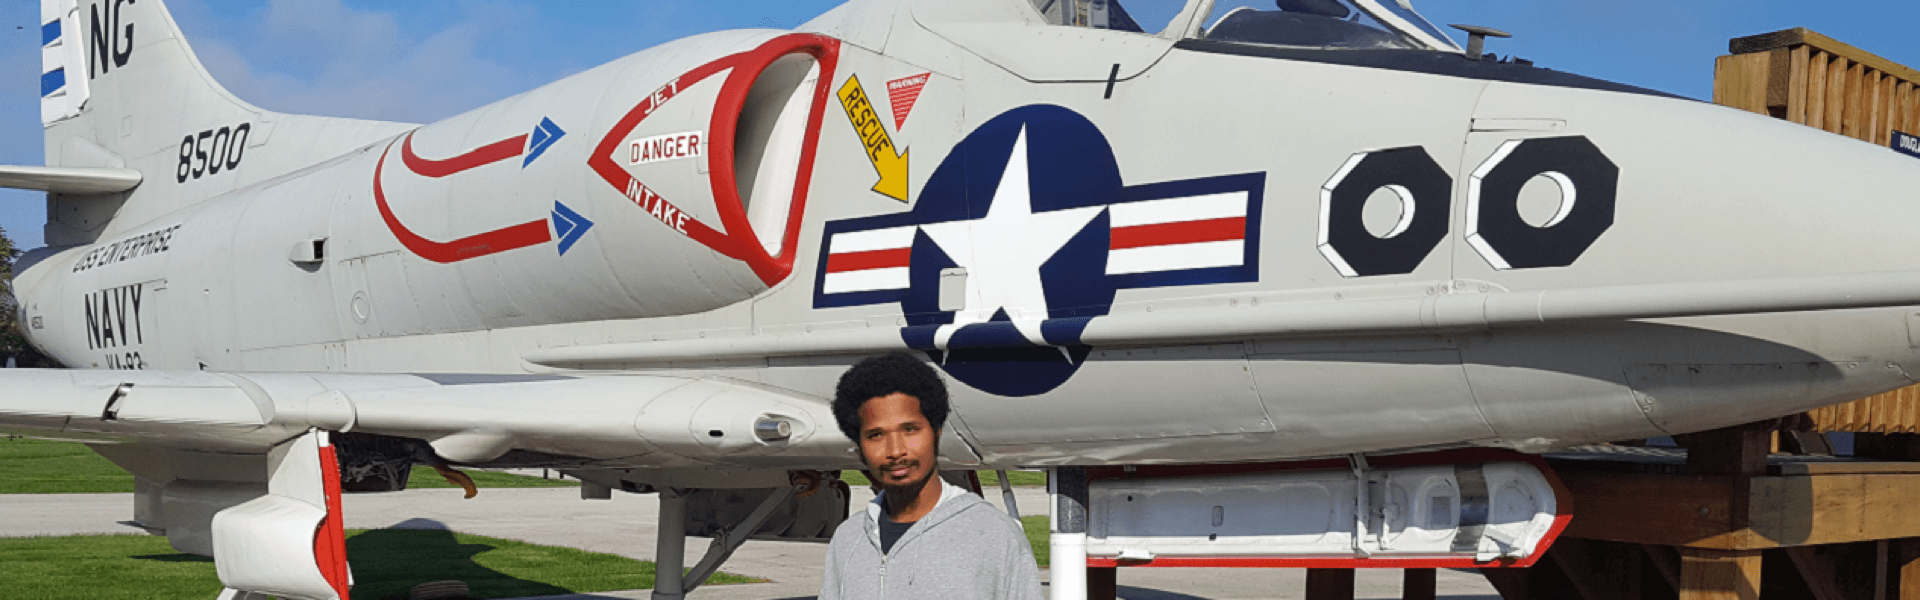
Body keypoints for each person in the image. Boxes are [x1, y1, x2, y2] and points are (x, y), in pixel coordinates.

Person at [819, 353, 1043, 600]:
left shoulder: (995, 535)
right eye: (876, 435)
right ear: (859, 445)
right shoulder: (848, 538)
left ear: (936, 432)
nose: (895, 451)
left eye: (910, 429)